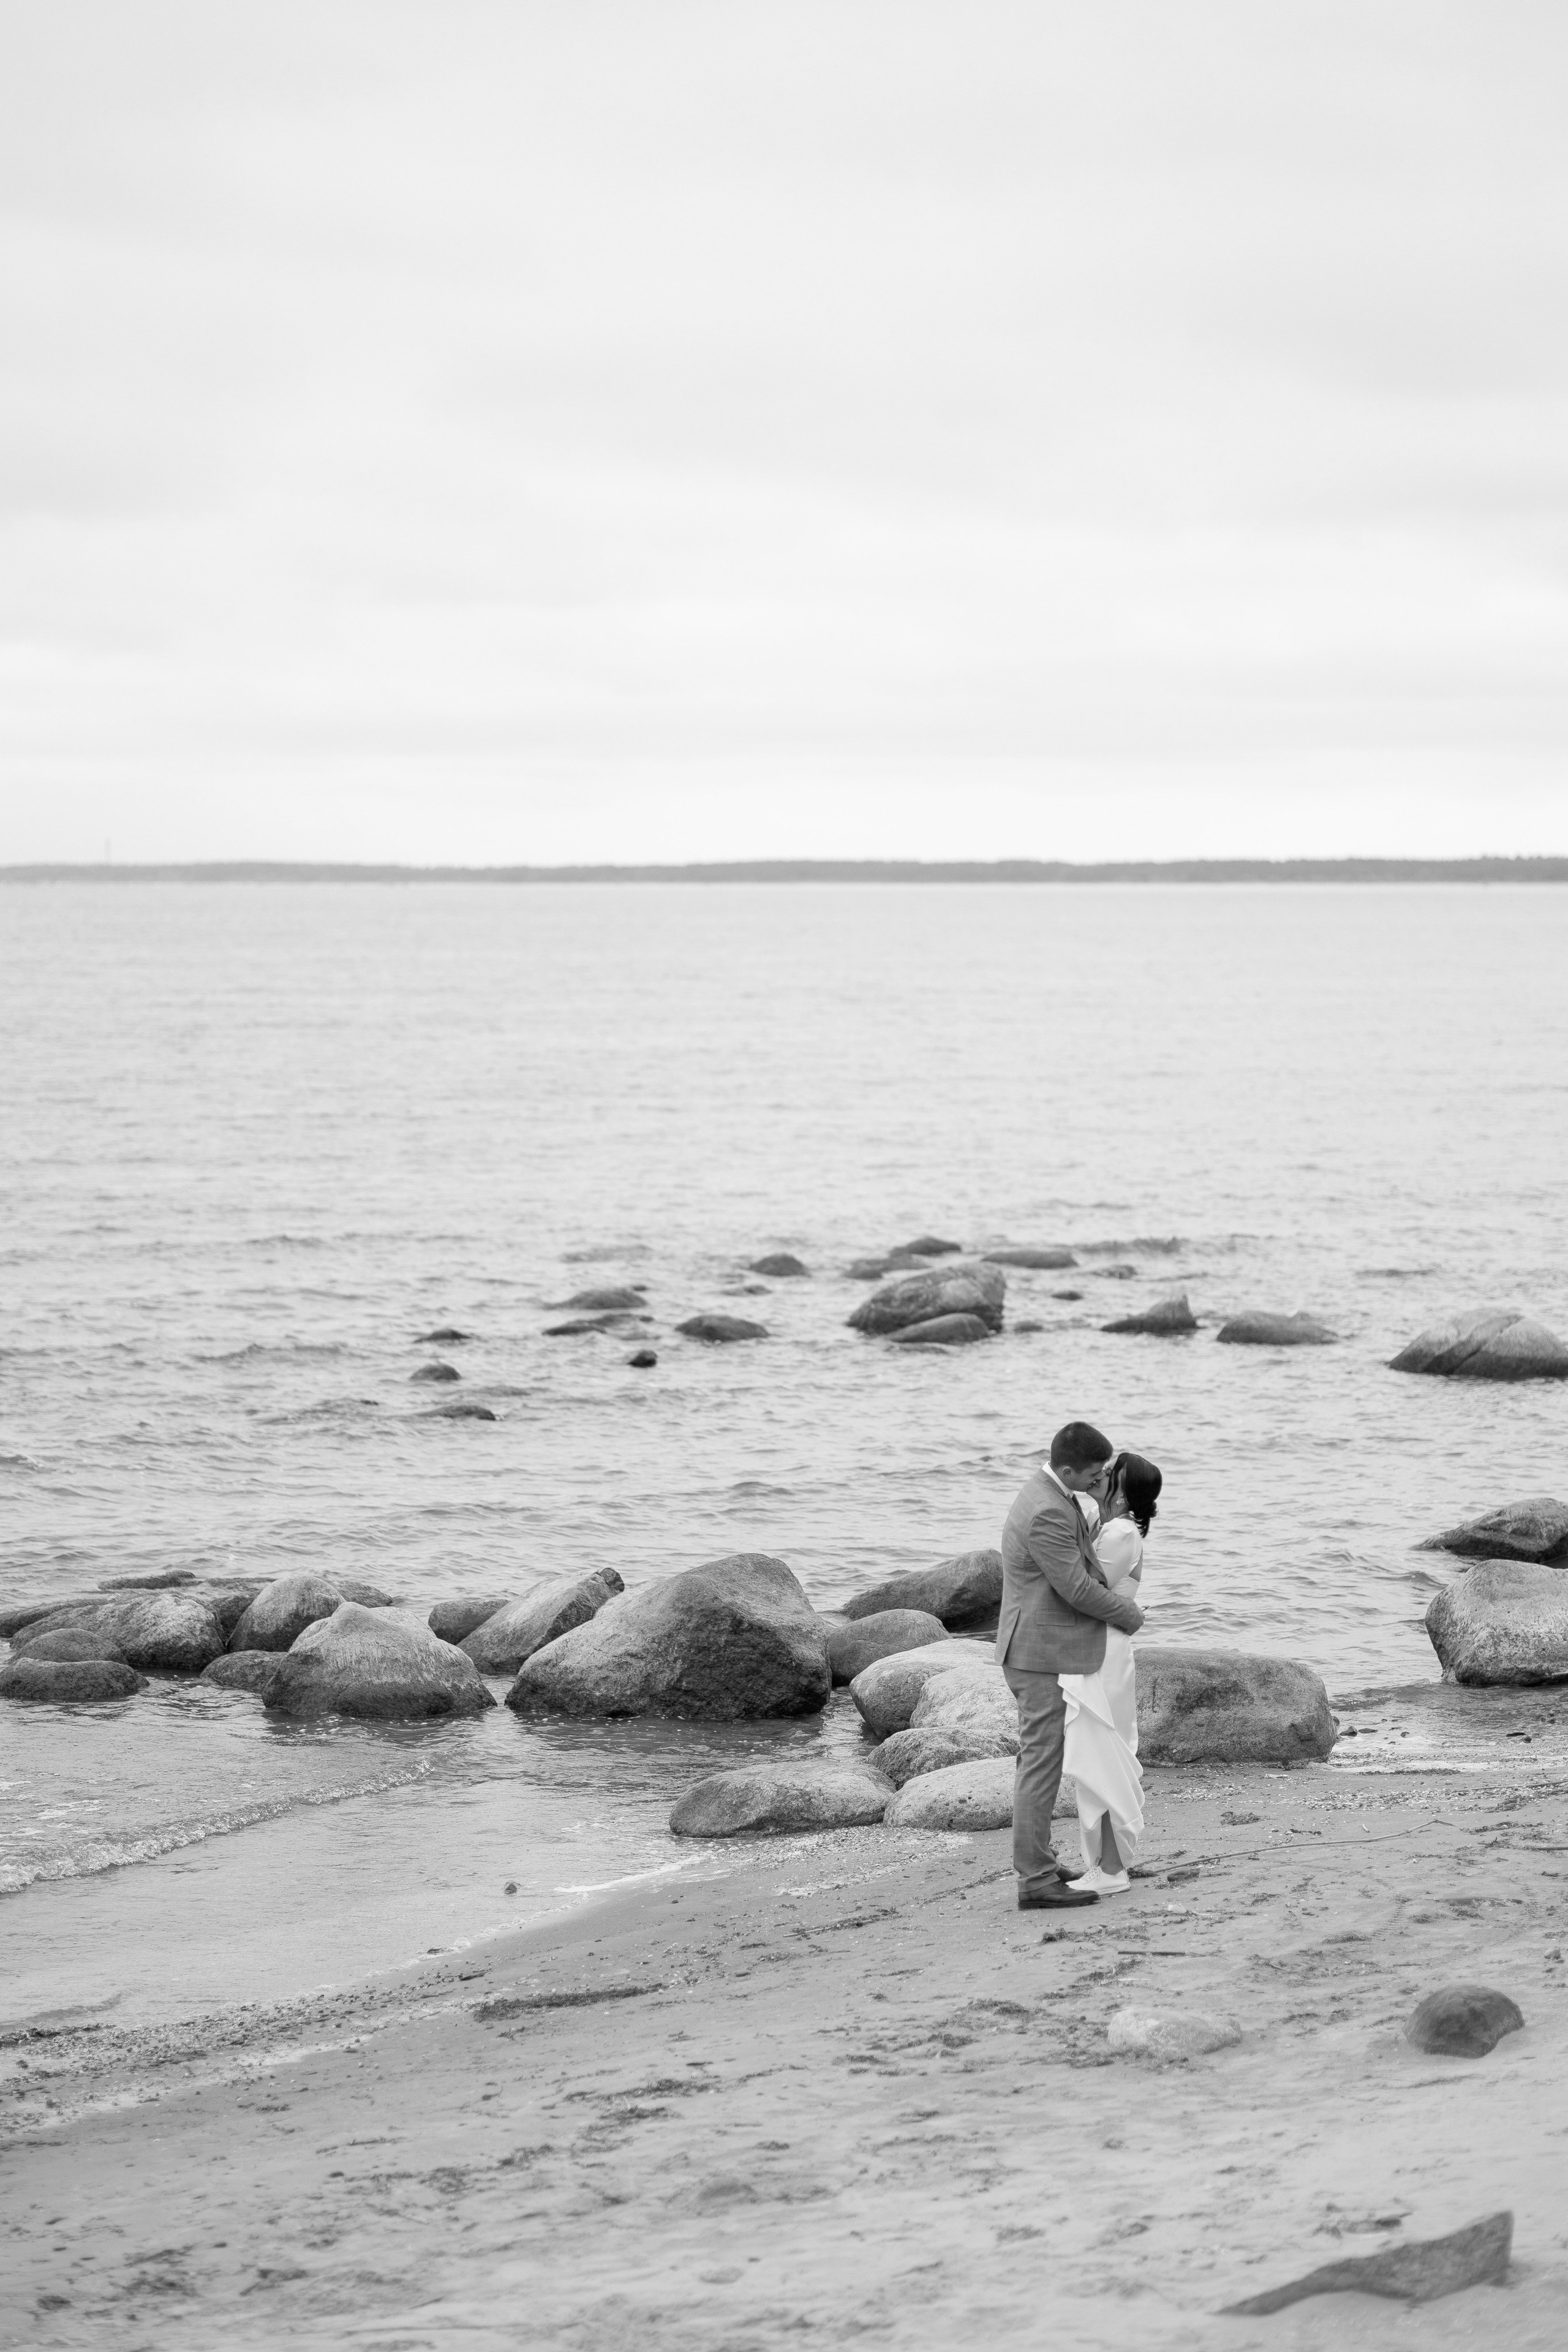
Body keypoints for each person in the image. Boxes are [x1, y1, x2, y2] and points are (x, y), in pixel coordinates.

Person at [997, 1422, 1145, 1910]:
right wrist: (1130, 1615)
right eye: (1095, 1472)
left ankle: (1038, 1860)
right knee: (1040, 1763)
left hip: (1043, 1648)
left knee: (1038, 1760)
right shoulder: (1045, 1510)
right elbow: (1076, 1588)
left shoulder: (1056, 1496)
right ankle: (1035, 1880)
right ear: (1066, 1470)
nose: (1101, 1479)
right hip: (1036, 1653)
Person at [1061, 1450, 1163, 1895]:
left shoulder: (1121, 1533)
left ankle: (1113, 1868)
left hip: (1104, 1654)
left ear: (1124, 1493)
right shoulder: (1108, 1526)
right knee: (1096, 1756)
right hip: (1097, 1648)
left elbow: (1082, 1589)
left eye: (1112, 1473)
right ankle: (1103, 1864)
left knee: (1104, 1753)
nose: (1101, 1475)